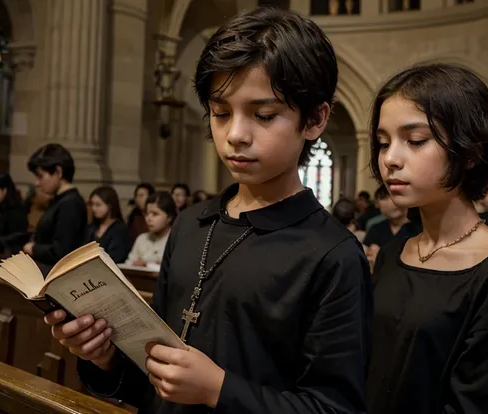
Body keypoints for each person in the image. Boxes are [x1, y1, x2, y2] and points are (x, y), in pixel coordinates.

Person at [44, 7, 371, 414]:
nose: (235, 134)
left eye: (263, 115)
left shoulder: (332, 255)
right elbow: (152, 377)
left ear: (315, 119)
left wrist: (218, 389)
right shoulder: (191, 224)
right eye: (220, 113)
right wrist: (106, 357)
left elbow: (333, 408)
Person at [365, 63, 488, 413]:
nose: (390, 159)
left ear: (471, 152)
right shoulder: (393, 253)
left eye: (415, 141)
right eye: (383, 142)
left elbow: (486, 403)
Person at [24, 143, 88, 273]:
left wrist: (33, 248)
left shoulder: (70, 204)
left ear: (58, 172)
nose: (36, 183)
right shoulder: (60, 201)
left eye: (40, 176)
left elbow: (63, 252)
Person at [363, 184, 417, 270]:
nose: (379, 204)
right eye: (379, 200)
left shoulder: (417, 230)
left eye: (384, 198)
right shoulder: (376, 228)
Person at [125, 192, 176, 270]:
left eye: (155, 214)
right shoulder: (142, 238)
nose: (149, 218)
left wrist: (147, 265)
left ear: (169, 217)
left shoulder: (175, 241)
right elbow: (128, 264)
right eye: (147, 214)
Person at [85, 186, 130, 264]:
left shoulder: (119, 229)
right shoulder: (92, 227)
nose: (94, 208)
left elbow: (116, 256)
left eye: (98, 205)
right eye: (92, 204)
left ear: (110, 206)